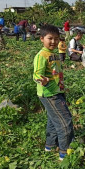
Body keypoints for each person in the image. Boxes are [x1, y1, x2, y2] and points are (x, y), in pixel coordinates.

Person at [33, 24, 74, 161]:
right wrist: (42, 80)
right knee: (65, 121)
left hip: (57, 91)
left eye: (56, 39)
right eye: (50, 38)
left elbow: (57, 73)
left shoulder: (54, 54)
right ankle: (65, 152)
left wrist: (62, 87)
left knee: (53, 119)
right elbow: (36, 75)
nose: (53, 41)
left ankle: (49, 146)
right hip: (49, 93)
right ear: (42, 39)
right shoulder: (41, 55)